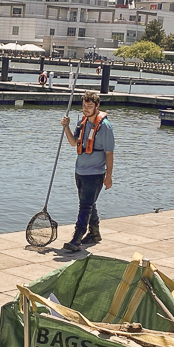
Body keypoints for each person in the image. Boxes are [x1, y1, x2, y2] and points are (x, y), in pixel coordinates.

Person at [60, 91, 114, 252]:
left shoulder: (105, 127)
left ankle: (77, 238)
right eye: (84, 106)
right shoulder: (82, 122)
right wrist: (66, 127)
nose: (86, 109)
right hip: (80, 171)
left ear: (97, 107)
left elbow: (109, 153)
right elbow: (72, 143)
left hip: (95, 173)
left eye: (90, 106)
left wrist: (109, 175)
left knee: (85, 206)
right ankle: (95, 233)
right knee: (89, 204)